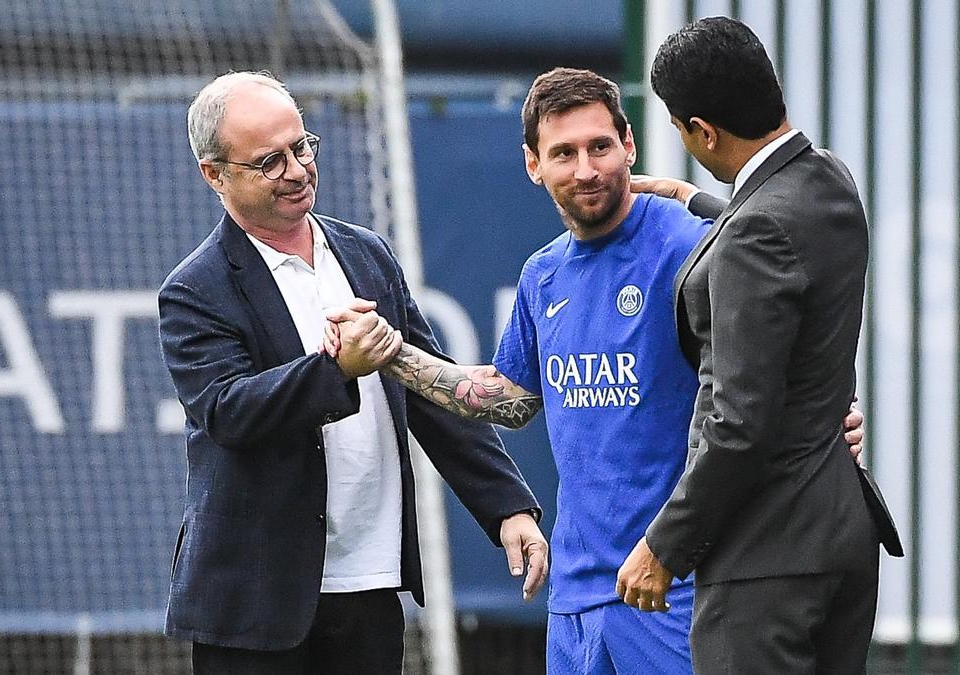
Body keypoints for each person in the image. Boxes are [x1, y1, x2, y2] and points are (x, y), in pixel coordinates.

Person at [325, 67, 868, 674]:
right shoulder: (543, 275)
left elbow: (770, 363)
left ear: (629, 145)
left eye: (600, 147)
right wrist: (391, 354)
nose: (585, 169)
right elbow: (507, 399)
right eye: (563, 153)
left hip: (674, 585)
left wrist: (821, 423)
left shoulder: (697, 247)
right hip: (577, 598)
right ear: (534, 164)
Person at [156, 71, 548, 674]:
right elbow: (230, 413)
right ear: (216, 175)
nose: (296, 169)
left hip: (369, 583)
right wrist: (336, 369)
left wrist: (506, 508)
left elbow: (431, 392)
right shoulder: (194, 290)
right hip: (255, 604)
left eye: (302, 146)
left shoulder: (365, 253)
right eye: (269, 161)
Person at [614, 17, 903, 674]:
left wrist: (664, 546)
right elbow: (776, 232)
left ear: (703, 132)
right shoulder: (830, 180)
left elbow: (740, 423)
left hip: (765, 557)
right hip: (840, 539)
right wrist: (700, 202)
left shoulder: (755, 235)